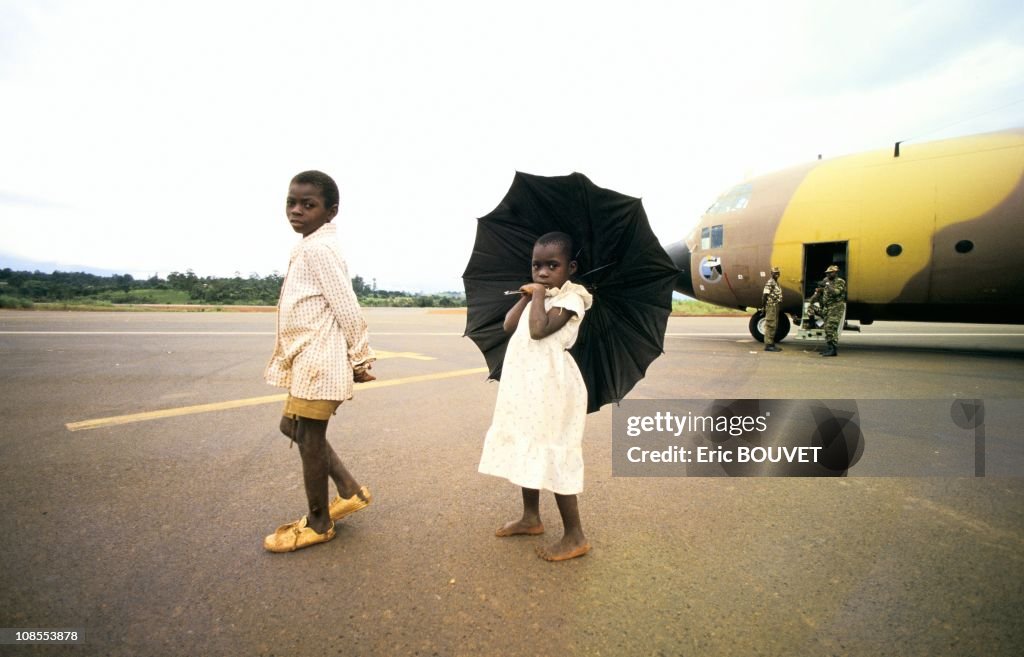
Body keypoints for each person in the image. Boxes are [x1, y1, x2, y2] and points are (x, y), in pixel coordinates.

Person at [262, 170, 377, 553]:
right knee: (291, 427)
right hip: (309, 360)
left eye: (308, 205)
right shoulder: (311, 245)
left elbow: (347, 306)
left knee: (308, 436)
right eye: (291, 203)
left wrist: (360, 357)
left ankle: (318, 522)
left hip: (320, 361)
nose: (296, 211)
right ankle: (348, 491)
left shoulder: (318, 249)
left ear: (331, 211)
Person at [478, 231, 594, 561]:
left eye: (551, 266)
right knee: (526, 443)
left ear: (569, 267)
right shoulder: (538, 297)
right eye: (536, 266)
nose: (542, 272)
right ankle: (531, 517)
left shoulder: (572, 300)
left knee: (554, 449)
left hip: (552, 388)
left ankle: (575, 535)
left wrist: (540, 295)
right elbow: (509, 325)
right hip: (526, 386)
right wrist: (526, 298)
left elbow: (538, 330)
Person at [812, 264, 846, 357]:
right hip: (828, 307)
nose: (827, 275)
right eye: (827, 273)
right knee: (827, 328)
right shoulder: (827, 281)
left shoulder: (840, 282)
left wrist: (827, 285)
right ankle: (829, 348)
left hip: (836, 308)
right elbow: (824, 292)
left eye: (830, 273)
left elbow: (836, 292)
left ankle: (833, 349)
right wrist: (819, 290)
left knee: (831, 328)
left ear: (835, 273)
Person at [761, 266, 783, 352]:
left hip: (775, 306)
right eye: (775, 273)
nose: (777, 274)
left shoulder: (776, 283)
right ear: (771, 274)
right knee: (770, 324)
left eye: (778, 273)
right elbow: (764, 296)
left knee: (774, 324)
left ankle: (771, 343)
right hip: (771, 306)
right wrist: (763, 307)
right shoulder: (770, 282)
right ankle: (768, 345)